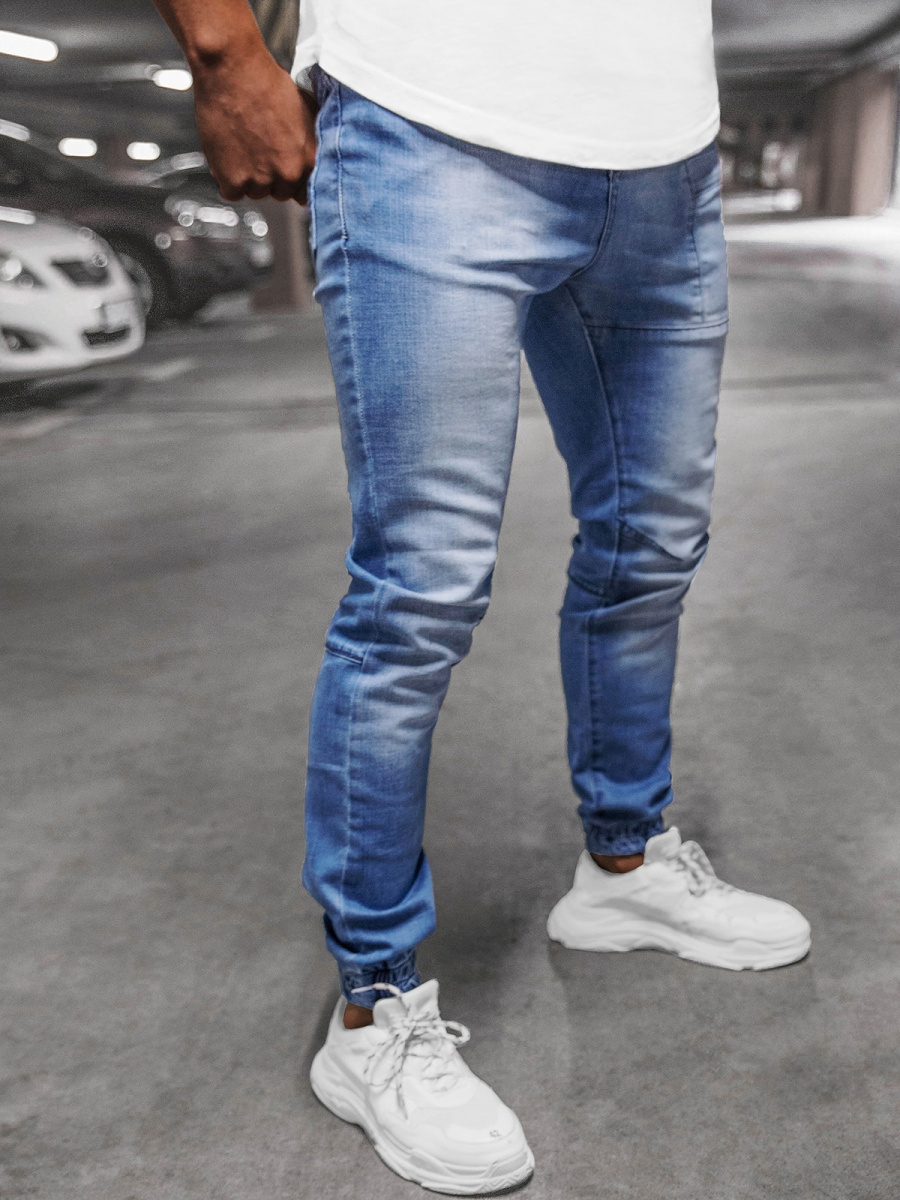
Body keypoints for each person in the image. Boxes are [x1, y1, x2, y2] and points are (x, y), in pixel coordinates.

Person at [149, 0, 812, 1192]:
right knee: (420, 593)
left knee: (652, 544)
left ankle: (624, 872)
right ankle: (373, 1013)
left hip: (661, 153)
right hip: (428, 120)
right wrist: (224, 50)